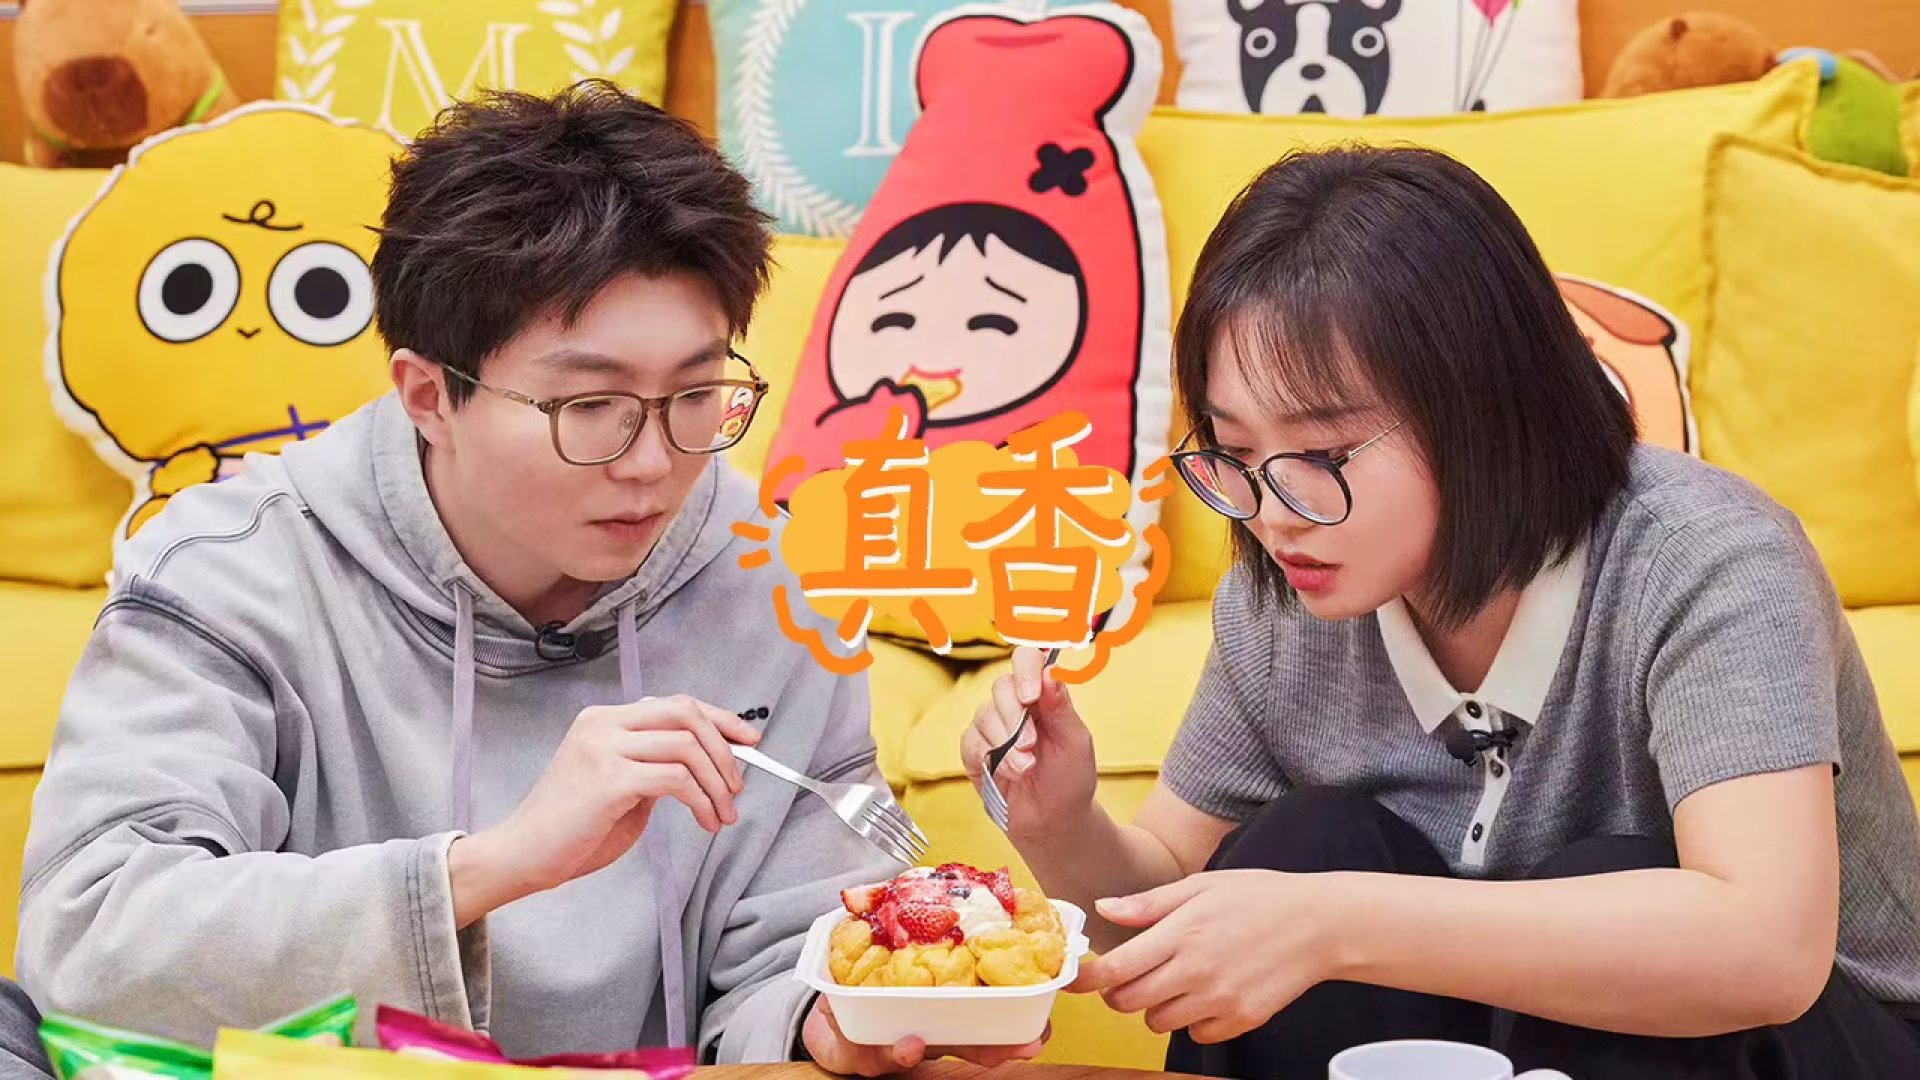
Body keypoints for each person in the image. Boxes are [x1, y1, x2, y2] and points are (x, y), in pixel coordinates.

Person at [16, 82, 1042, 1076]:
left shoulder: (775, 582)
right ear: (428, 396)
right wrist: (496, 864)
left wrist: (837, 1021)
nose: (654, 463)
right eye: (589, 407)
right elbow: (93, 945)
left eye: (698, 393)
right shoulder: (233, 572)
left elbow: (796, 945)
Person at [962, 145, 1920, 1078]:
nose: (1270, 512)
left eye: (1322, 455)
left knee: (1597, 882)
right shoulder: (1287, 590)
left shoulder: (1705, 558)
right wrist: (1062, 825)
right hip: (1482, 1038)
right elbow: (1181, 898)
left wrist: (1332, 924)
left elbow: (1764, 948)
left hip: (1814, 1043)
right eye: (1235, 450)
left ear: (1489, 407)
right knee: (1301, 850)